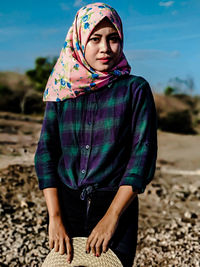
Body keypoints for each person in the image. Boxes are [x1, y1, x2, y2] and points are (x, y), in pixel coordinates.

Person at [34, 2, 157, 267]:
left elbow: (141, 157)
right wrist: (54, 218)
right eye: (95, 39)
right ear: (79, 40)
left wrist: (111, 218)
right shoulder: (62, 90)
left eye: (113, 39)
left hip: (115, 205)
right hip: (66, 206)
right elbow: (46, 153)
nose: (105, 48)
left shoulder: (135, 90)